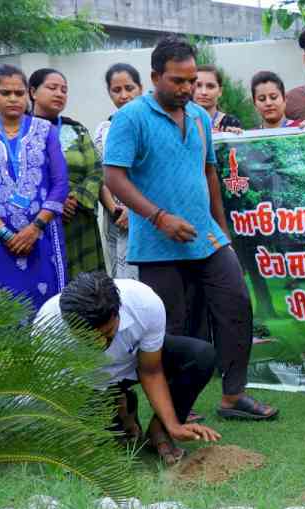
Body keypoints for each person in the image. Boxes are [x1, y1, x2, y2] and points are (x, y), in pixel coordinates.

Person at [103, 35, 277, 422]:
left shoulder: (199, 117)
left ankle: (233, 396)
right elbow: (114, 177)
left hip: (207, 237)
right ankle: (179, 408)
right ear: (155, 77)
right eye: (177, 81)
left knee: (236, 305)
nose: (187, 89)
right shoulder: (131, 118)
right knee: (170, 329)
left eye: (191, 81)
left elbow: (209, 170)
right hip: (156, 243)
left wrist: (220, 225)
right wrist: (158, 217)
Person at [35, 272, 221, 465]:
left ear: (118, 312)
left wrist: (173, 425)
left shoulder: (144, 303)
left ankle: (159, 431)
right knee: (107, 441)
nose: (100, 344)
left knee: (201, 356)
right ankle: (119, 405)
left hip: (132, 364)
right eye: (88, 339)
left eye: (108, 333)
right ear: (69, 326)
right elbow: (61, 397)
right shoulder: (47, 328)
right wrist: (81, 442)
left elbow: (151, 371)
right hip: (86, 382)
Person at [0, 64, 69, 312]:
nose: (13, 99)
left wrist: (35, 227)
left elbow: (60, 184)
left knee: (47, 311)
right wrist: (6, 234)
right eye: (5, 93)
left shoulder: (45, 130)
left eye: (18, 93)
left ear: (27, 94)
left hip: (43, 235)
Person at [29, 68, 105, 280]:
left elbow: (96, 170)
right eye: (52, 88)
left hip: (79, 219)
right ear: (33, 92)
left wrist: (76, 199)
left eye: (64, 90)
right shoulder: (21, 130)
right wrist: (56, 203)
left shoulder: (77, 129)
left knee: (87, 291)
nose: (59, 93)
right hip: (38, 220)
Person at [94, 63, 143, 280]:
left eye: (129, 88)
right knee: (122, 284)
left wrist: (134, 211)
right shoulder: (104, 129)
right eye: (116, 90)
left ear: (140, 88)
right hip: (116, 218)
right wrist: (116, 210)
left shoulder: (152, 123)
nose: (124, 95)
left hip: (148, 214)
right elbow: (101, 176)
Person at [193, 64, 242, 132]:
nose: (204, 92)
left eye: (210, 86)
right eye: (198, 85)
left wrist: (234, 138)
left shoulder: (231, 123)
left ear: (220, 91)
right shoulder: (182, 122)